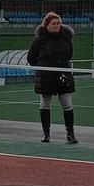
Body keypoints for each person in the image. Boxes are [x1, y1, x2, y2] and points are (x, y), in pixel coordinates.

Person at [27, 12, 78, 144]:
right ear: (47, 25)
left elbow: (69, 55)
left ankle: (70, 134)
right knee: (45, 104)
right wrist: (44, 68)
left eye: (58, 23)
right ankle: (46, 133)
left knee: (67, 103)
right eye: (53, 23)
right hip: (46, 77)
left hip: (63, 75)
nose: (56, 26)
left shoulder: (66, 38)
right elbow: (31, 58)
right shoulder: (40, 40)